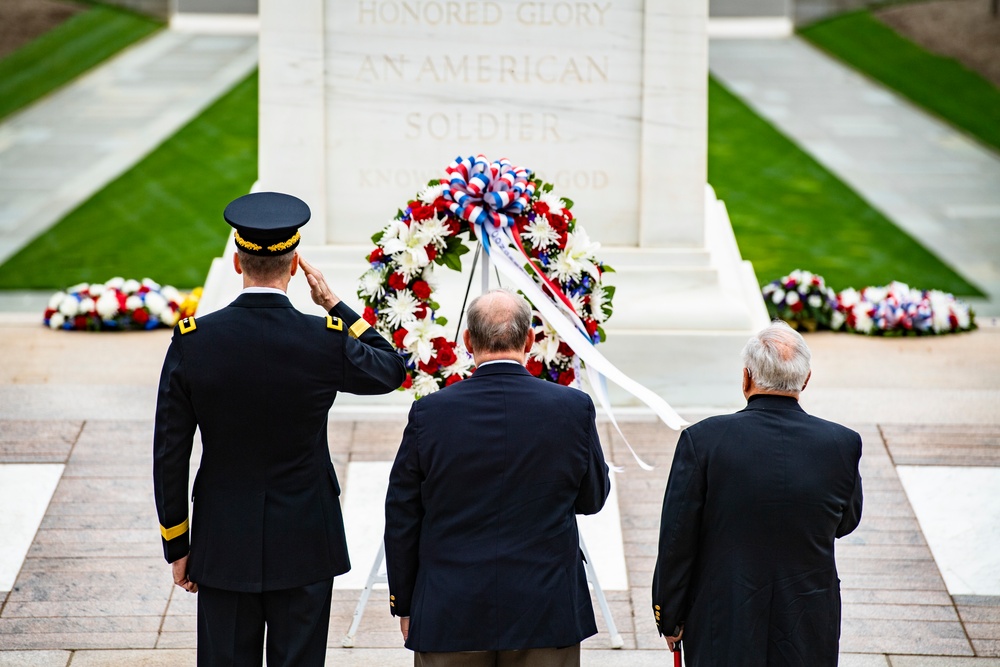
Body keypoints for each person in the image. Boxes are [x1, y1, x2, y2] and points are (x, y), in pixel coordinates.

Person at [153, 191, 406, 667]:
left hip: (223, 539)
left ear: (236, 262)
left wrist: (177, 544)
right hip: (307, 539)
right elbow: (391, 370)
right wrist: (335, 304)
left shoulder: (195, 341)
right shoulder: (324, 338)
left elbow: (169, 452)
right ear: (294, 266)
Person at [383, 289, 610, 667]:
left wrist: (405, 603)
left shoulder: (430, 413)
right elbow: (592, 499)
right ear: (530, 339)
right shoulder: (572, 408)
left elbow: (403, 516)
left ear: (468, 341)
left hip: (451, 609)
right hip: (544, 609)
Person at [651, 320, 863, 666]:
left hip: (725, 616)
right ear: (805, 380)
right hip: (807, 617)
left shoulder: (703, 440)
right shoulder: (841, 443)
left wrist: (669, 616)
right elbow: (846, 521)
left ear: (746, 377)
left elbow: (678, 538)